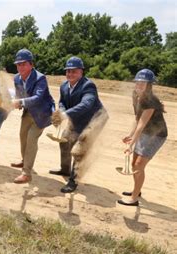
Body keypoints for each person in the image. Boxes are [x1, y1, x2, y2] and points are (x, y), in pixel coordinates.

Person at [50, 56, 108, 193]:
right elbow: (62, 102)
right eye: (68, 71)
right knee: (64, 140)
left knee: (79, 149)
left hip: (95, 120)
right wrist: (62, 111)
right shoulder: (64, 86)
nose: (70, 74)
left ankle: (73, 181)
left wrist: (65, 115)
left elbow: (86, 104)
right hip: (77, 118)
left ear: (81, 72)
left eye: (74, 71)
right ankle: (65, 169)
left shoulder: (88, 85)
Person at [118, 69, 167, 206]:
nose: (139, 85)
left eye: (143, 83)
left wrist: (132, 143)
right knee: (134, 163)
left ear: (149, 85)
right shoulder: (135, 95)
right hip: (145, 132)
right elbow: (137, 118)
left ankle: (134, 198)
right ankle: (136, 190)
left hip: (156, 134)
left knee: (139, 165)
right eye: (138, 82)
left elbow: (142, 123)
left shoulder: (150, 101)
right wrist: (130, 135)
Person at [10, 49, 55, 184]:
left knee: (31, 139)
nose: (20, 67)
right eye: (18, 64)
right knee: (22, 136)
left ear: (31, 65)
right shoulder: (17, 78)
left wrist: (21, 102)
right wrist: (15, 102)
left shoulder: (40, 78)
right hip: (29, 112)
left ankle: (26, 173)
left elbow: (38, 98)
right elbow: (19, 96)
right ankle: (25, 161)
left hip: (42, 113)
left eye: (23, 64)